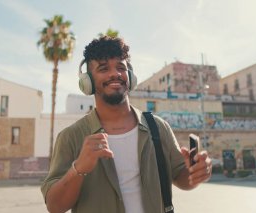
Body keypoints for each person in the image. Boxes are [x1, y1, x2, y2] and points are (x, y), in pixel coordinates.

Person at [41, 36, 212, 213]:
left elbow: (182, 178)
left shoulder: (158, 128)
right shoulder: (71, 137)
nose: (115, 73)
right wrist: (78, 169)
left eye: (121, 67)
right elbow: (55, 206)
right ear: (88, 82)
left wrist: (196, 173)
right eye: (103, 68)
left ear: (130, 76)